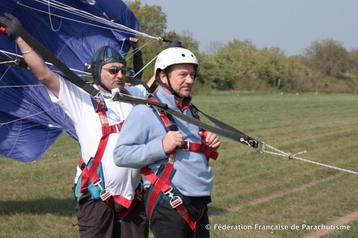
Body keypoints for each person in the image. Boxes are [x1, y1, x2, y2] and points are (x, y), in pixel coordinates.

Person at [0, 14, 148, 238]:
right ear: (98, 71)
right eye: (113, 71)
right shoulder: (79, 97)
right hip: (98, 197)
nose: (119, 75)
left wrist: (173, 61)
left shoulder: (134, 94)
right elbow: (44, 75)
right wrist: (21, 38)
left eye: (122, 70)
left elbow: (154, 85)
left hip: (133, 198)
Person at [113, 47, 221, 238]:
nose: (190, 80)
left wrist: (207, 141)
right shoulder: (144, 111)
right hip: (168, 203)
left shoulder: (190, 112)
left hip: (199, 202)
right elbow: (121, 154)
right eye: (183, 75)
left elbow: (190, 149)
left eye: (192, 75)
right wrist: (161, 147)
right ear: (163, 77)